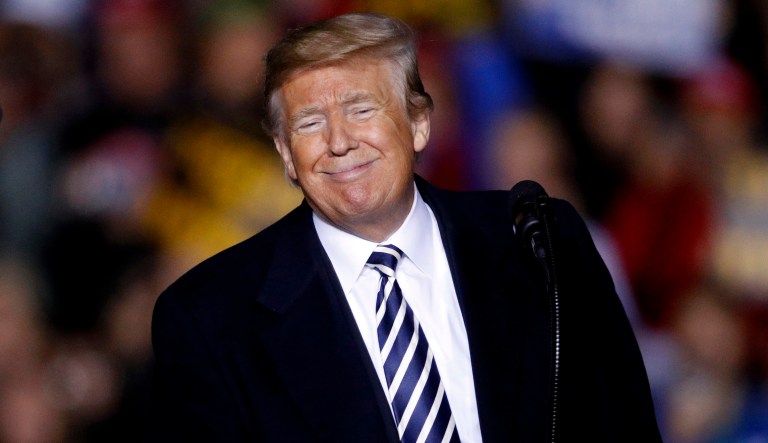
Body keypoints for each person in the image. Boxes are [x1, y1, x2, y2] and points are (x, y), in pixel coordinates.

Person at [149, 12, 661, 442]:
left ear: (418, 123)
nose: (340, 141)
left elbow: (623, 422)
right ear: (285, 154)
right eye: (309, 123)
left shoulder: (537, 240)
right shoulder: (209, 316)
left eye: (361, 109)